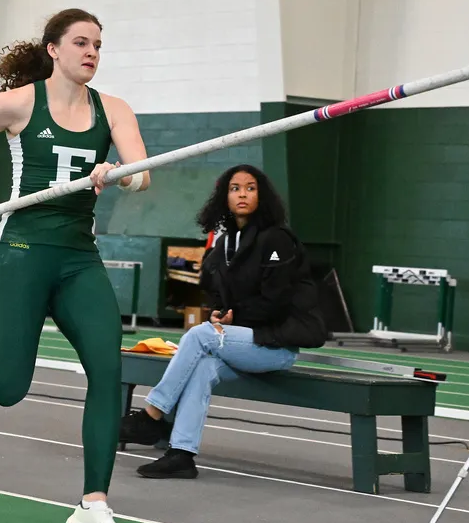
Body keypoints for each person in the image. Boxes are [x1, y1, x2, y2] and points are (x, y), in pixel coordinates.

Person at [0, 8, 151, 523]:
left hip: (78, 256)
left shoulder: (113, 109)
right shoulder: (23, 102)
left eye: (98, 44)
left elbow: (142, 175)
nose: (91, 52)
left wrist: (116, 175)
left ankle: (94, 503)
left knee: (107, 366)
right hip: (21, 251)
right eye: (80, 43)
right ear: (54, 49)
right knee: (8, 389)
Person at [119, 164, 327, 479]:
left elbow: (276, 301)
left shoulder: (278, 240)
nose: (242, 194)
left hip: (276, 344)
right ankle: (182, 454)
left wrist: (233, 318)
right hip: (242, 343)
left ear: (262, 195)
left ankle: (153, 413)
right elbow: (221, 296)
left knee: (200, 335)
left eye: (250, 187)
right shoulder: (226, 243)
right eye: (235, 188)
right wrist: (220, 313)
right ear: (224, 197)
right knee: (202, 366)